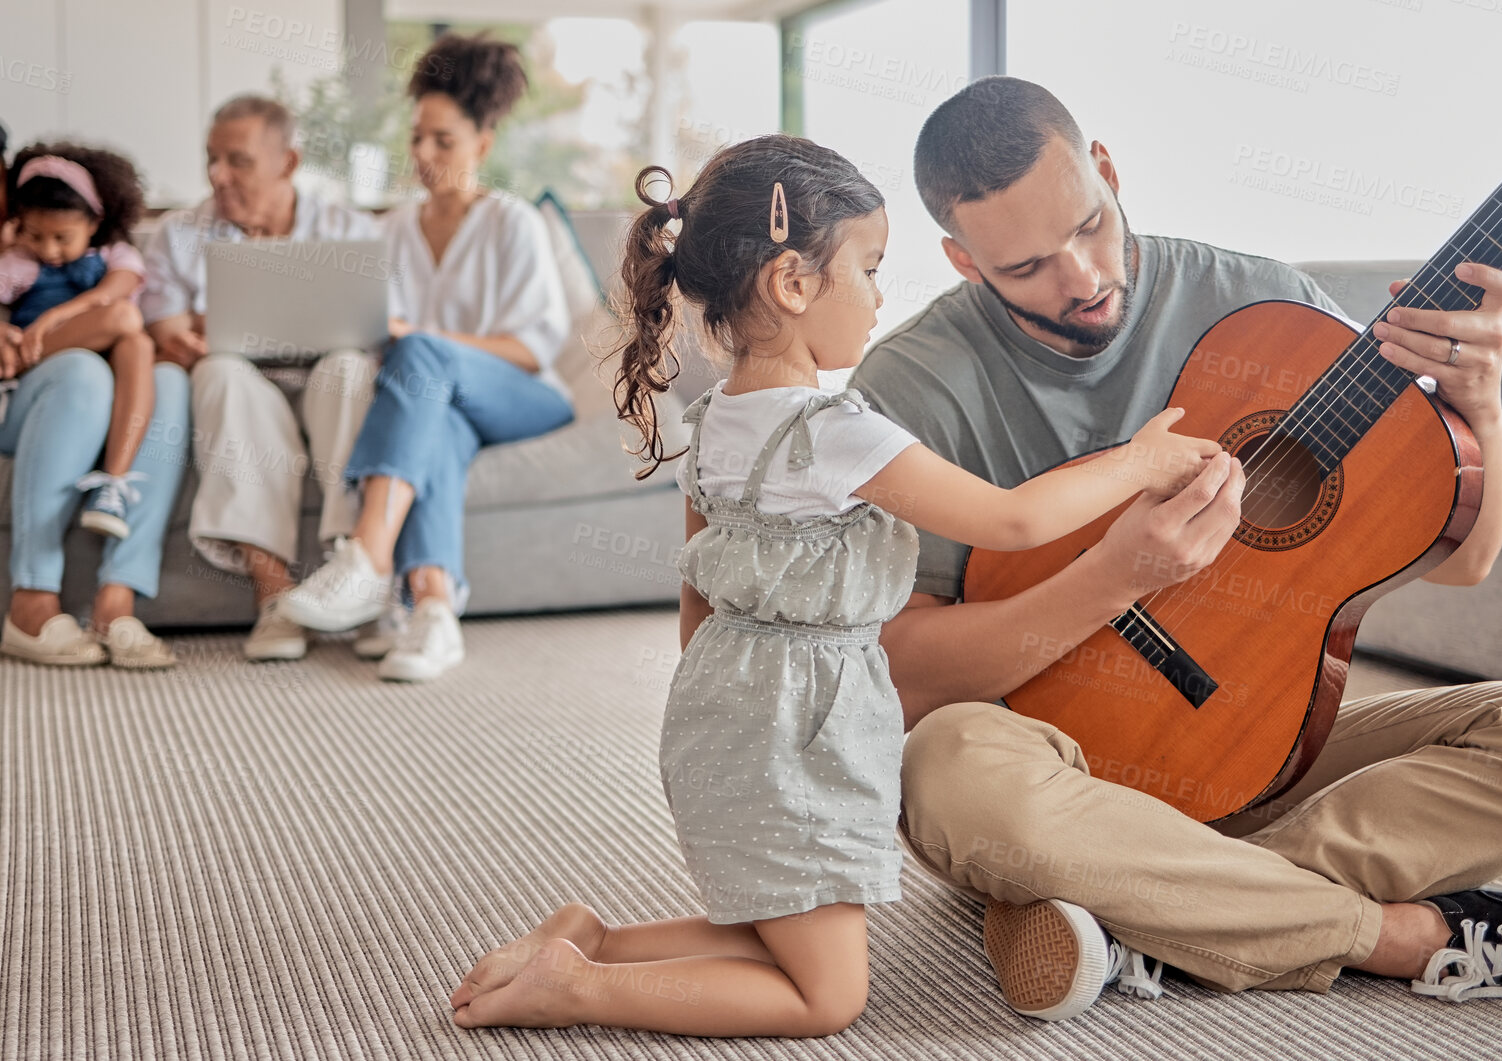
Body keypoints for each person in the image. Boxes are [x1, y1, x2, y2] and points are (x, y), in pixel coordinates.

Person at [845, 77, 1502, 1014]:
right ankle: (1403, 937)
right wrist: (1117, 574)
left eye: (1089, 226)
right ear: (964, 261)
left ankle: (1161, 914)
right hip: (1047, 767)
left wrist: (1479, 407)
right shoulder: (910, 387)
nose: (1081, 279)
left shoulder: (1264, 306)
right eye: (1027, 267)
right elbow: (899, 674)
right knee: (944, 767)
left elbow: (1464, 559)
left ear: (1108, 172)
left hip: (1259, 749)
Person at [444, 135, 1221, 1037]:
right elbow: (1012, 520)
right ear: (791, 283)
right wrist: (1137, 461)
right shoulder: (836, 433)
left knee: (785, 936)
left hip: (719, 715)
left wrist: (721, 709)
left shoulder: (716, 419)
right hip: (797, 733)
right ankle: (578, 985)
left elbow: (698, 590)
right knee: (824, 996)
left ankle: (594, 943)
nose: (881, 294)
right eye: (869, 266)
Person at [278, 32, 576, 682]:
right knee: (432, 418)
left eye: (442, 140)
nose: (422, 153)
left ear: (482, 144)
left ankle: (367, 557)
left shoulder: (513, 222)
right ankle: (434, 612)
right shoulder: (386, 230)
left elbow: (530, 349)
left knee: (421, 350)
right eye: (416, 138)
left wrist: (423, 343)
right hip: (435, 402)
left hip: (522, 394)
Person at [0, 104, 187, 668]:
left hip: (81, 400)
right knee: (81, 372)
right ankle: (31, 603)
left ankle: (117, 604)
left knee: (168, 382)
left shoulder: (57, 225)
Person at [141, 95, 382, 663]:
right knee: (218, 371)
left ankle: (357, 579)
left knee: (351, 367)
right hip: (243, 386)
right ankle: (273, 593)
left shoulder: (349, 229)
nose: (218, 175)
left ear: (289, 163)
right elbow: (169, 332)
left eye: (238, 160)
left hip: (326, 381)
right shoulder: (177, 234)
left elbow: (381, 332)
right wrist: (199, 330)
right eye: (211, 159)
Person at [0, 143, 156, 539]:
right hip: (43, 368)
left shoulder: (116, 255)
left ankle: (113, 484)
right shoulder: (21, 262)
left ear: (94, 222)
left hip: (98, 363)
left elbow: (111, 296)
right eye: (35, 235)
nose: (49, 250)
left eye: (61, 237)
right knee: (125, 326)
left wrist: (54, 317)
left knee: (134, 336)